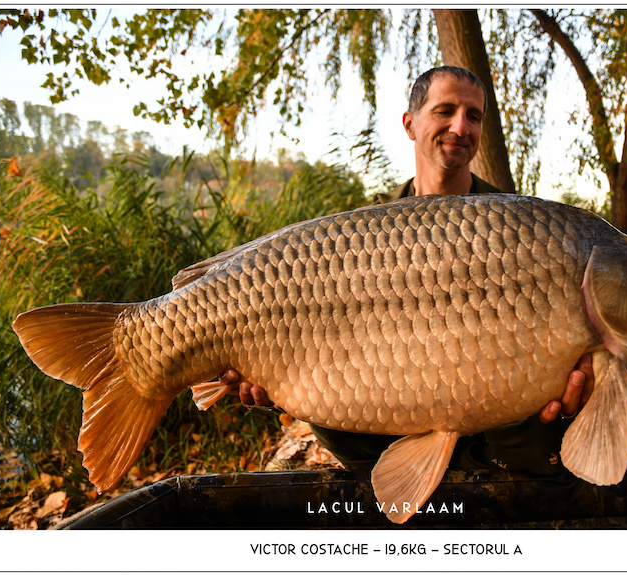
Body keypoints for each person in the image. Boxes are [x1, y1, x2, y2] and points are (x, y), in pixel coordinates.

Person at [224, 66, 593, 475]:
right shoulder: (363, 231)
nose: (460, 126)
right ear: (409, 124)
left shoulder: (519, 223)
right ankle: (406, 479)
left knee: (556, 404)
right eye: (445, 111)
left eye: (473, 116)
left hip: (502, 424)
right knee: (323, 408)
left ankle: (489, 472)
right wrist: (275, 377)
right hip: (387, 412)